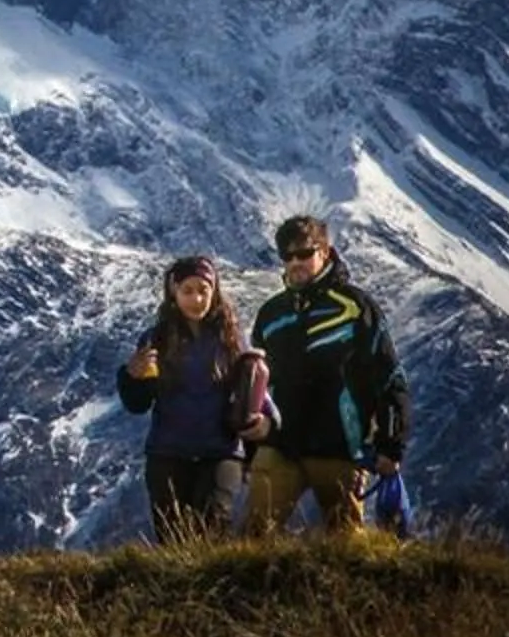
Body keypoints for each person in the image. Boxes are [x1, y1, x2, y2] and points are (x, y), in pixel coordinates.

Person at [243, 215, 410, 536]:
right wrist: (250, 450)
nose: (295, 262)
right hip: (281, 445)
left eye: (304, 253)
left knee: (346, 544)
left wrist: (391, 446)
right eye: (287, 256)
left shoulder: (356, 307)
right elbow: (257, 387)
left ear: (325, 251)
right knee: (254, 537)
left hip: (340, 448)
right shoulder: (271, 313)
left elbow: (389, 377)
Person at [115, 254, 272, 541]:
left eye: (204, 290)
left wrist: (268, 422)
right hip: (168, 455)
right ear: (173, 293)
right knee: (173, 541)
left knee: (213, 529)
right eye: (188, 291)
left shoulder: (232, 339)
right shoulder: (156, 340)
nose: (197, 299)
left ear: (215, 292)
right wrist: (131, 378)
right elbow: (138, 404)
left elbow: (257, 388)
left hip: (222, 453)